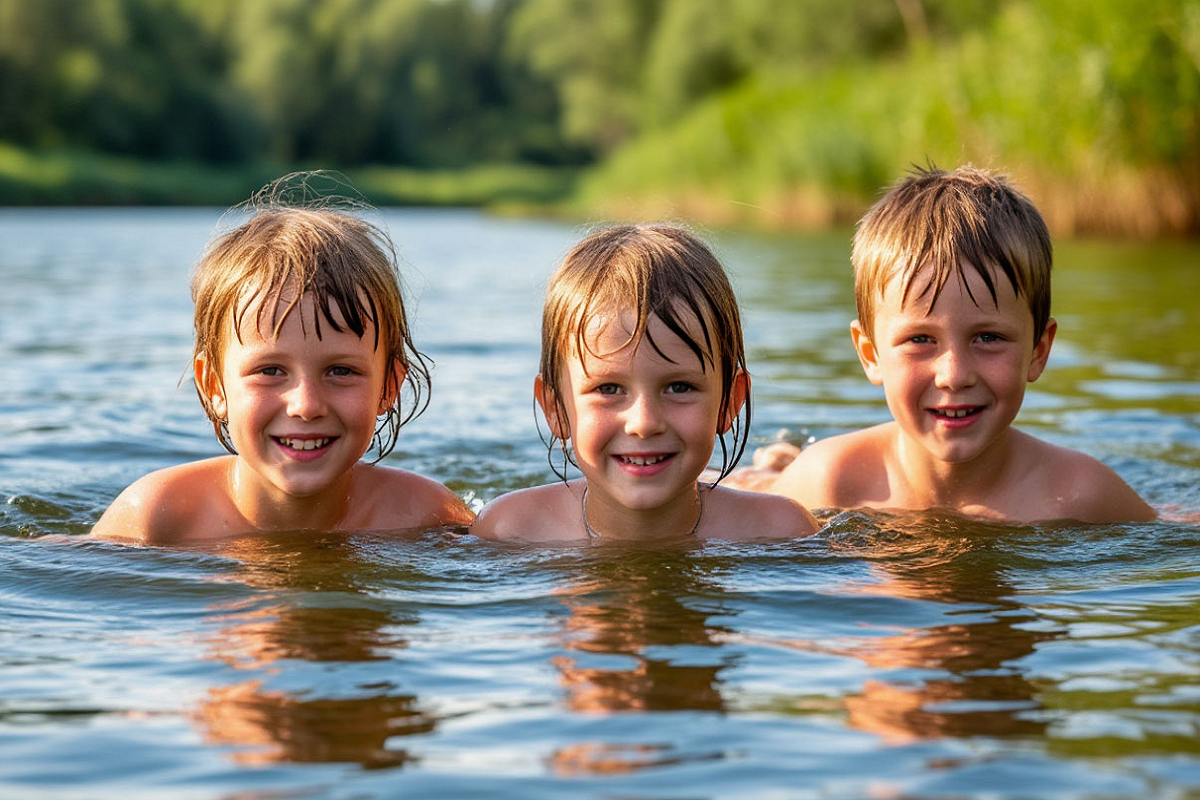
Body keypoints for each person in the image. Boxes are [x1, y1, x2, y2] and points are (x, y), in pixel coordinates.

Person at [744, 165, 1154, 523]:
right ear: (870, 355)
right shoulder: (829, 483)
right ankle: (776, 461)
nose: (954, 375)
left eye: (988, 338)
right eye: (920, 339)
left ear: (1038, 350)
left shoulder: (1082, 495)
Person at [91, 184, 472, 544]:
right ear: (213, 387)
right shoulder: (155, 519)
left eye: (341, 371)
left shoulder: (427, 519)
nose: (306, 406)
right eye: (270, 371)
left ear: (388, 386)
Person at [471, 224, 817, 542]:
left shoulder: (780, 532)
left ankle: (765, 471)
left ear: (729, 402)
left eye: (679, 387)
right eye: (608, 389)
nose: (644, 423)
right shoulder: (509, 532)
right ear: (556, 408)